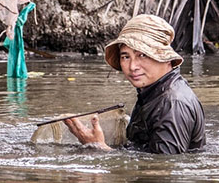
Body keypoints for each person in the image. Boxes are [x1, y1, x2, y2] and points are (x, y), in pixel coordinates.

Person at [65, 14, 206, 154]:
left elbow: (164, 165)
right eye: (126, 57)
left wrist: (98, 147)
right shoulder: (154, 92)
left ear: (165, 58)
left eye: (142, 55)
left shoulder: (171, 103)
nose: (132, 67)